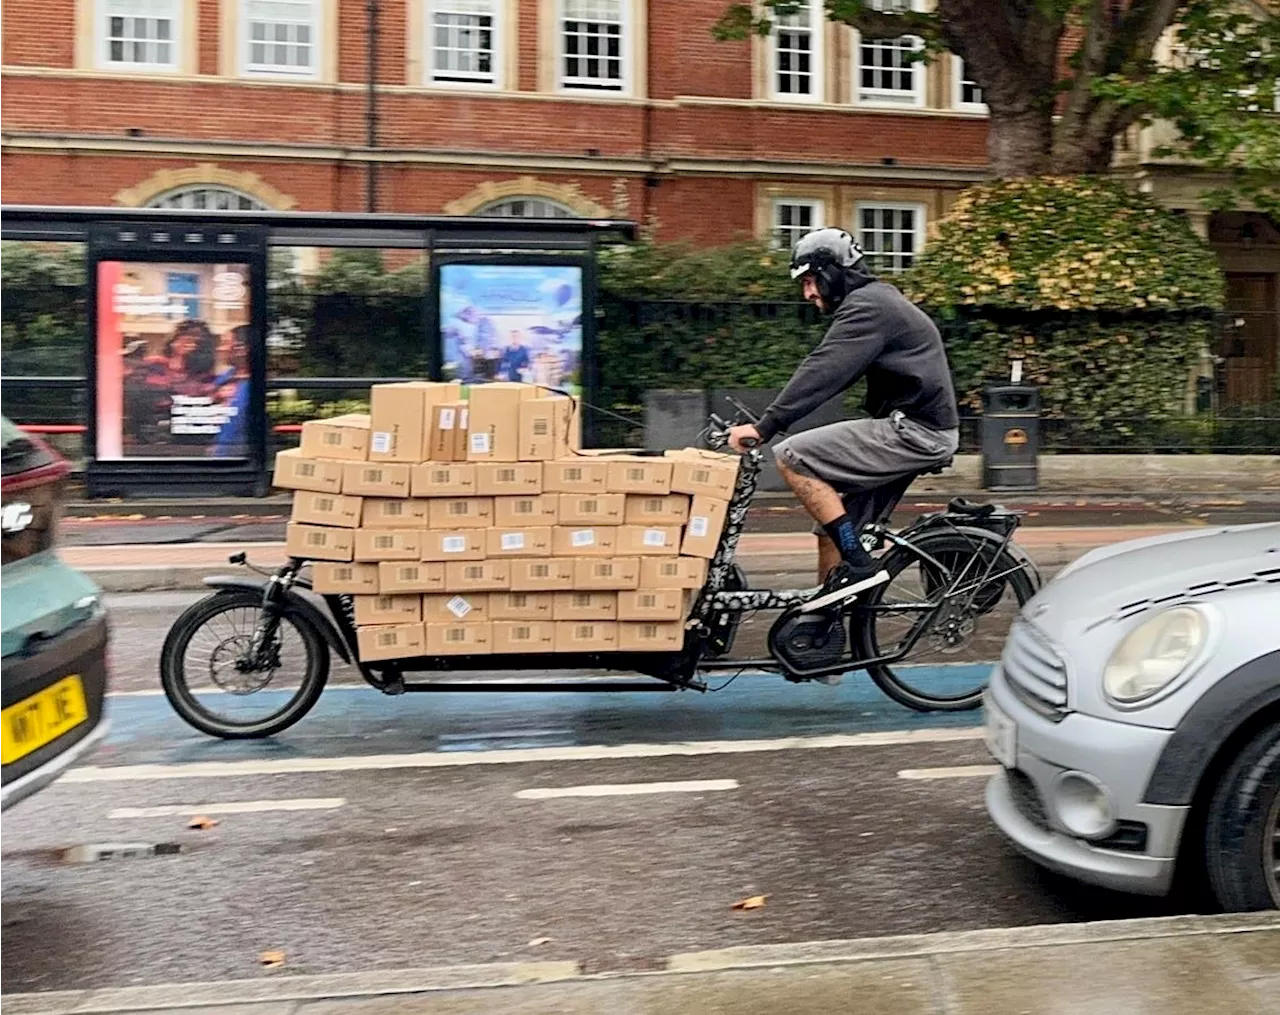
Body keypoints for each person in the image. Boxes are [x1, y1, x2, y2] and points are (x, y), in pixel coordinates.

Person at [727, 228, 960, 612]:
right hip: (919, 429)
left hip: (916, 431)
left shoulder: (869, 306)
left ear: (833, 272)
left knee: (792, 456)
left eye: (809, 280)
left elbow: (825, 370)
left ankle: (860, 566)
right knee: (830, 531)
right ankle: (826, 630)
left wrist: (764, 427)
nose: (808, 294)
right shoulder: (876, 301)